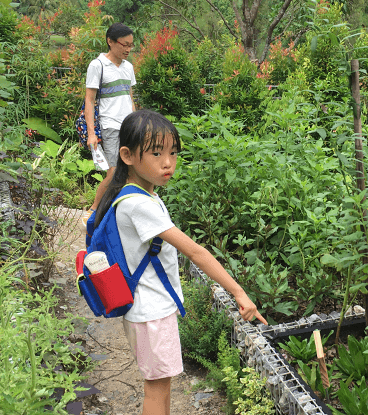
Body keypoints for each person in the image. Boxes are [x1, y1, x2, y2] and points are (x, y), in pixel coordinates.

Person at [94, 109, 268, 415]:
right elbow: (196, 252)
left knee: (160, 387)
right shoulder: (138, 204)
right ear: (127, 155)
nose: (168, 163)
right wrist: (238, 293)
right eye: (157, 153)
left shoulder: (138, 194)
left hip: (149, 310)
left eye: (173, 153)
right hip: (150, 312)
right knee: (156, 393)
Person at [81, 22, 137, 228]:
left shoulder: (128, 67)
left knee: (131, 171)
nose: (128, 49)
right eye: (124, 44)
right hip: (110, 125)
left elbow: (129, 97)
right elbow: (89, 100)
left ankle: (118, 212)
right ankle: (94, 210)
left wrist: (136, 120)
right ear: (110, 42)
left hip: (129, 126)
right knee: (114, 171)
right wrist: (91, 133)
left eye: (131, 45)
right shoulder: (97, 66)